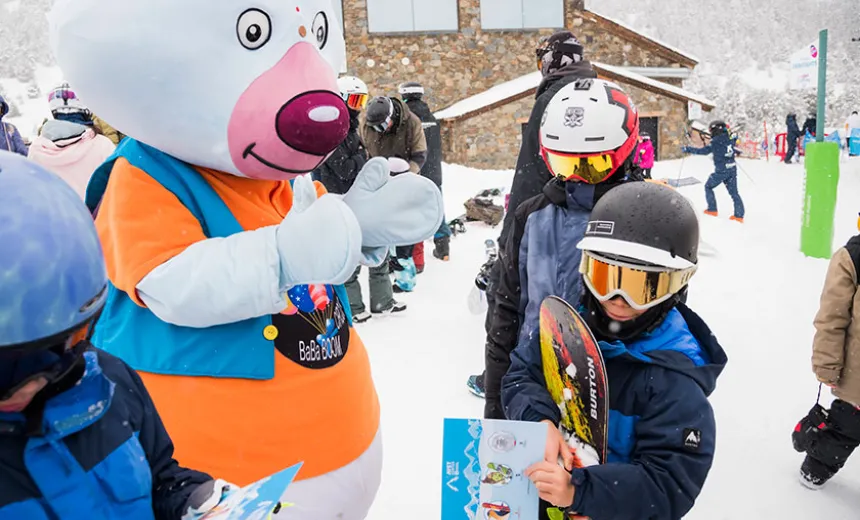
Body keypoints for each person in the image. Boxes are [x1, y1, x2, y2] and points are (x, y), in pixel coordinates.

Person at [0, 151, 241, 520]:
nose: (26, 386)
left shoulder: (106, 380)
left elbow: (160, 477)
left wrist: (195, 501)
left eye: (55, 351)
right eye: (5, 368)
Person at [503, 181, 727, 520]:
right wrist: (539, 420)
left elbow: (667, 486)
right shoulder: (567, 330)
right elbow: (520, 375)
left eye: (642, 286)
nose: (618, 300)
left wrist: (581, 491)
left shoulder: (676, 381)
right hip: (543, 499)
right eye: (605, 277)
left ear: (675, 285)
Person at [482, 78, 642, 419]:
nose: (578, 179)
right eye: (566, 165)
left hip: (614, 399)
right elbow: (505, 315)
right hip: (533, 387)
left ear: (625, 152)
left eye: (593, 165)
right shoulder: (531, 217)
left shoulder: (644, 218)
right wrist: (495, 405)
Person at [467, 30, 597, 398]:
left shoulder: (554, 97)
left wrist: (516, 225)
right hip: (580, 209)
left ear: (554, 60)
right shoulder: (591, 91)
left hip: (546, 211)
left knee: (517, 300)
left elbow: (532, 170)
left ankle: (509, 381)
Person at [793, 232, 860, 489]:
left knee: (844, 430)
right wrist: (827, 363)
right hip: (856, 379)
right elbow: (833, 318)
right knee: (843, 430)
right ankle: (813, 473)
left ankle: (817, 468)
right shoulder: (854, 256)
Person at [27, 83, 116, 200]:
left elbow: (32, 189)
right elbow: (117, 185)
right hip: (98, 215)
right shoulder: (103, 145)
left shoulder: (37, 148)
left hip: (57, 216)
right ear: (86, 109)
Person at [400, 81, 451, 264]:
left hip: (414, 170)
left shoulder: (406, 120)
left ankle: (414, 254)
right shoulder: (432, 118)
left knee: (411, 210)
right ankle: (443, 245)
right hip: (434, 171)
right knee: (435, 206)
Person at [313, 76, 369, 195]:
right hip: (333, 197)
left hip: (346, 194)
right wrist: (362, 155)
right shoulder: (331, 130)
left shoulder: (350, 127)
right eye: (355, 101)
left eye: (362, 101)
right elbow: (345, 169)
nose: (359, 107)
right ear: (341, 100)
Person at [683, 120, 745, 223]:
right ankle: (739, 216)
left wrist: (688, 149)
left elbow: (704, 151)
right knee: (734, 193)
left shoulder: (716, 141)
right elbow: (733, 141)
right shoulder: (730, 138)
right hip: (732, 169)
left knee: (708, 186)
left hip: (721, 171)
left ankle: (712, 209)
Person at [360, 96, 427, 173]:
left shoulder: (413, 123)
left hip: (405, 175)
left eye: (383, 125)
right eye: (376, 127)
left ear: (392, 116)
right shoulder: (366, 125)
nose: (382, 130)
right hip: (378, 176)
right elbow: (363, 151)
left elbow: (419, 155)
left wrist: (408, 174)